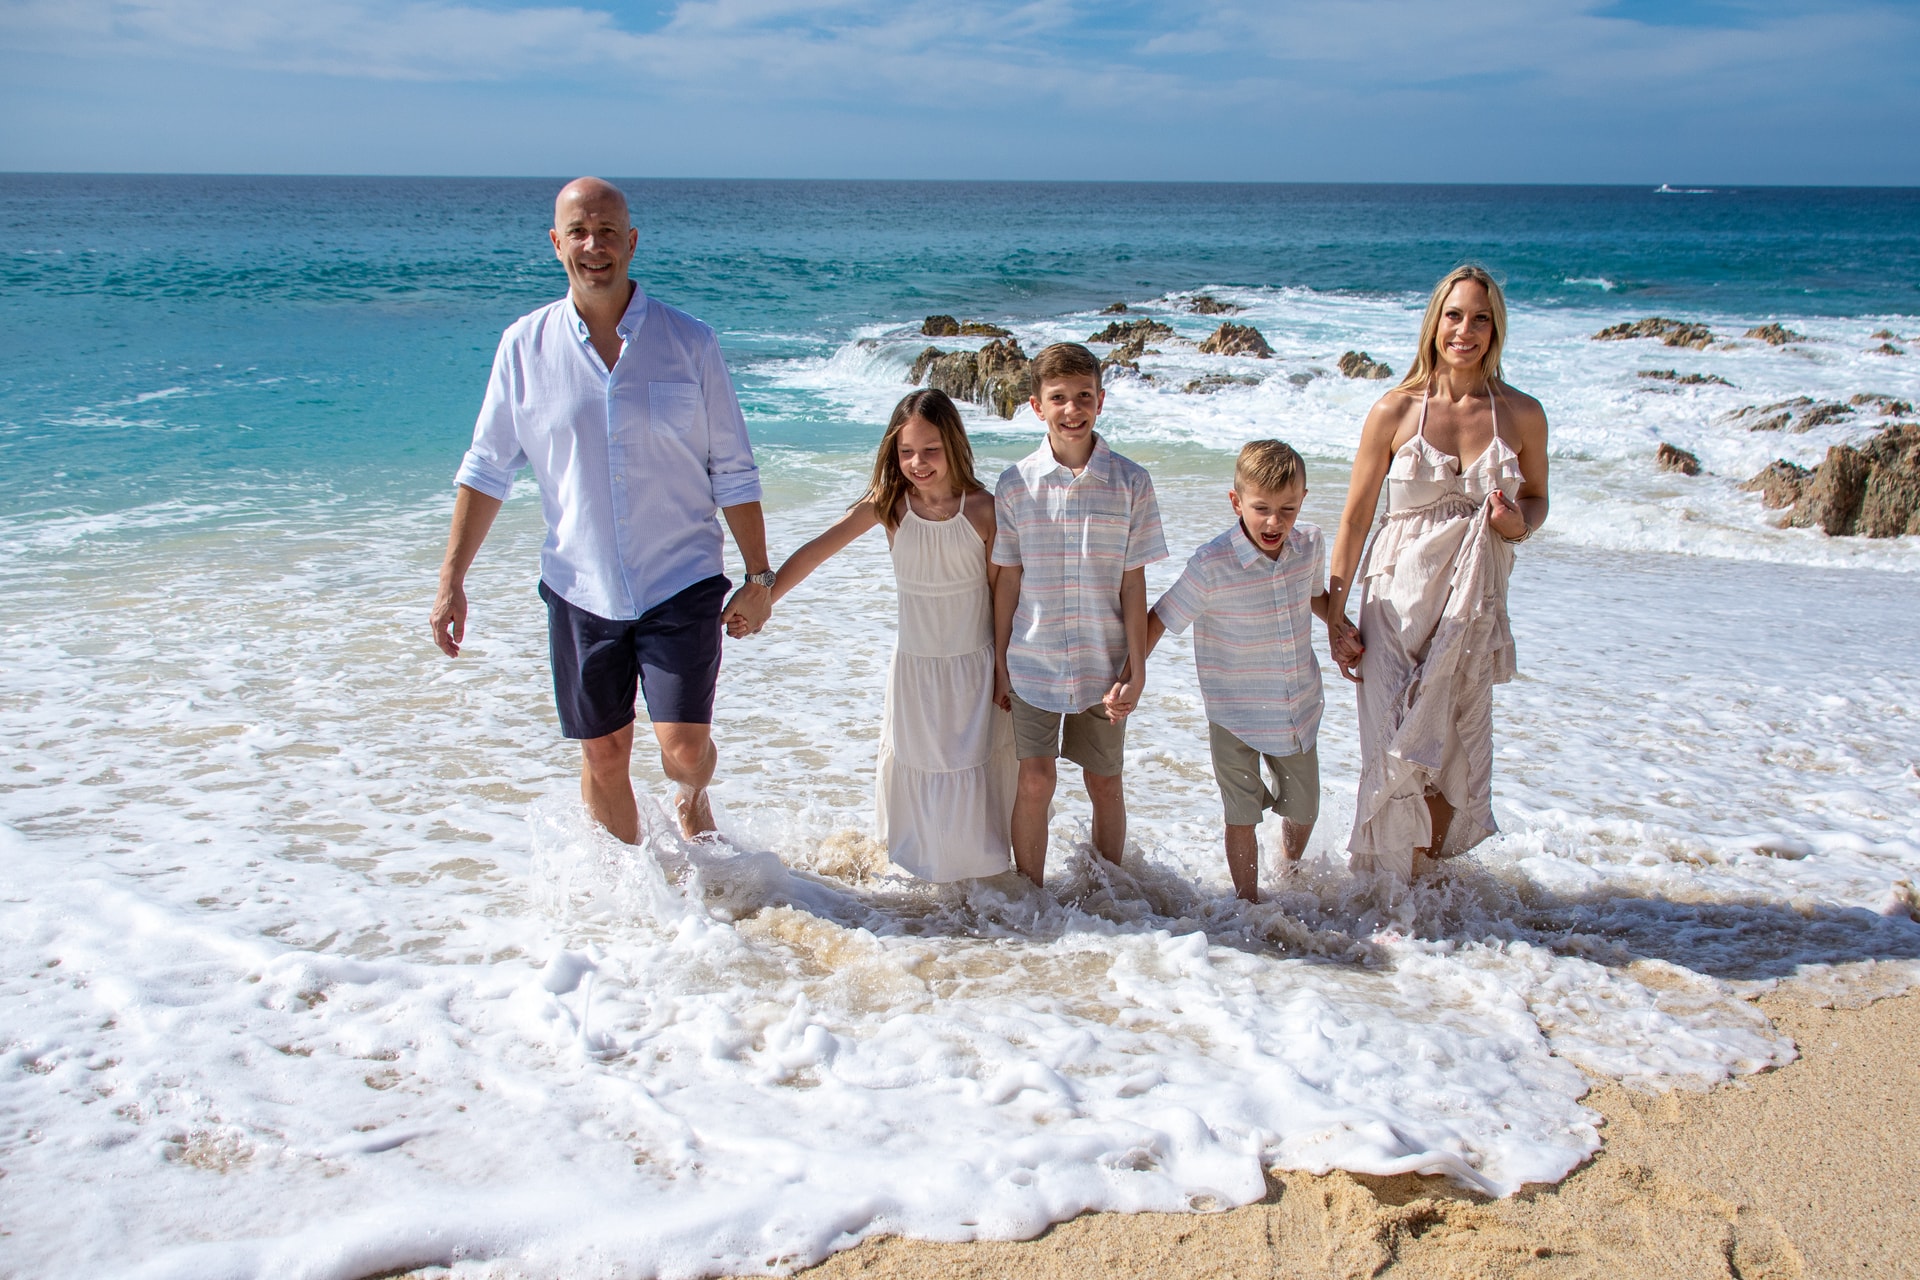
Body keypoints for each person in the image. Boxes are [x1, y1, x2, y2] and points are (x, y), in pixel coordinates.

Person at [430, 177, 776, 845]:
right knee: (605, 755)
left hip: (680, 577)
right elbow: (486, 470)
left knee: (681, 750)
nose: (595, 247)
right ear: (557, 243)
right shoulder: (523, 348)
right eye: (579, 233)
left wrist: (759, 580)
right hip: (579, 585)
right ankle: (642, 896)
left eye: (609, 233)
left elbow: (733, 469)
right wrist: (452, 581)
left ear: (633, 243)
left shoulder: (691, 343)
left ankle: (693, 797)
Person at [1326, 264, 1550, 882]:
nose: (1466, 330)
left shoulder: (1523, 414)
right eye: (1455, 315)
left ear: (1496, 329)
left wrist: (1516, 524)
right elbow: (1354, 519)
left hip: (1471, 607)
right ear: (1435, 323)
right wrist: (1335, 613)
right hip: (1392, 606)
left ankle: (1418, 896)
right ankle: (1389, 904)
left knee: (1449, 746)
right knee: (1394, 747)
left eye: (1481, 318)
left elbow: (1537, 499)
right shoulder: (1394, 409)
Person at [759, 389, 1015, 881]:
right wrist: (764, 595)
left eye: (931, 450)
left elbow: (1003, 593)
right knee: (921, 770)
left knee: (975, 769)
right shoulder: (890, 506)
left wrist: (1004, 669)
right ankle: (925, 893)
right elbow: (817, 551)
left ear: (955, 445)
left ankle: (985, 894)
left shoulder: (983, 509)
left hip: (975, 668)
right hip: (916, 669)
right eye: (906, 452)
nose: (918, 463)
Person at [1144, 441, 1360, 902]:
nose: (1274, 522)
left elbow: (1315, 596)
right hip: (1233, 710)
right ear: (1236, 501)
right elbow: (1160, 617)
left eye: (1287, 508)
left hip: (1295, 704)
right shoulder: (1211, 563)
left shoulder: (1309, 545)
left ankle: (1292, 869)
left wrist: (1341, 626)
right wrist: (1127, 674)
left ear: (1303, 499)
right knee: (1241, 813)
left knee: (1304, 807)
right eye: (1261, 508)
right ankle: (1248, 902)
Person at [992, 342, 1167, 887]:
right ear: (1036, 406)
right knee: (1035, 781)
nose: (1073, 409)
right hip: (1032, 660)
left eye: (1084, 396)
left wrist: (1136, 668)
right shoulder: (1015, 484)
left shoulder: (1132, 482)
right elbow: (1008, 580)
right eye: (1059, 398)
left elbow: (1133, 583)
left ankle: (1109, 893)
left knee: (1105, 783)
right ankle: (1032, 895)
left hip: (1103, 663)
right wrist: (999, 661)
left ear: (1101, 400)